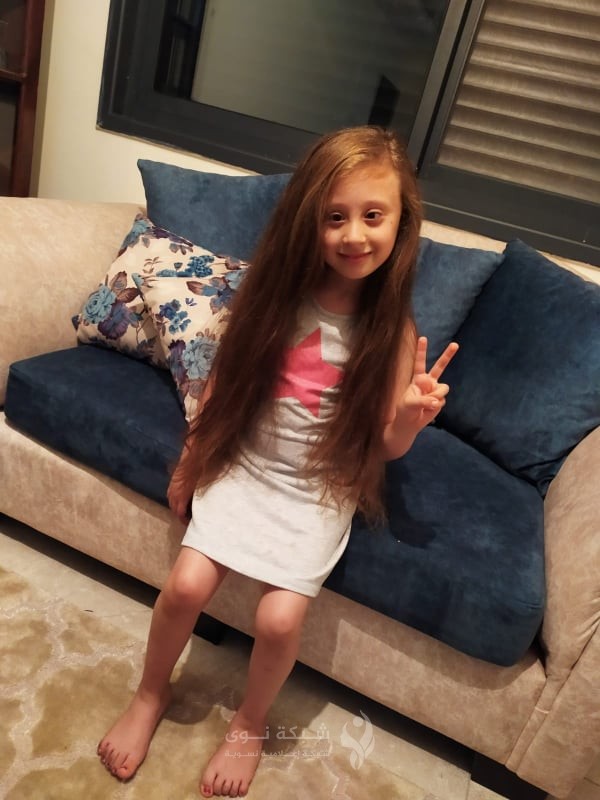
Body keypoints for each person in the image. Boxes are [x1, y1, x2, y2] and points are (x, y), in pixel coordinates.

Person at [97, 125, 458, 798]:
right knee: (184, 587)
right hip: (248, 467)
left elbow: (383, 445)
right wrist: (193, 459)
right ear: (307, 221)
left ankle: (250, 723)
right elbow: (223, 385)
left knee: (279, 619)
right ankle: (149, 693)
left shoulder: (391, 331)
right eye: (334, 217)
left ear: (402, 222)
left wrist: (408, 420)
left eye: (373, 215)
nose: (354, 235)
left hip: (317, 491)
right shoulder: (274, 297)